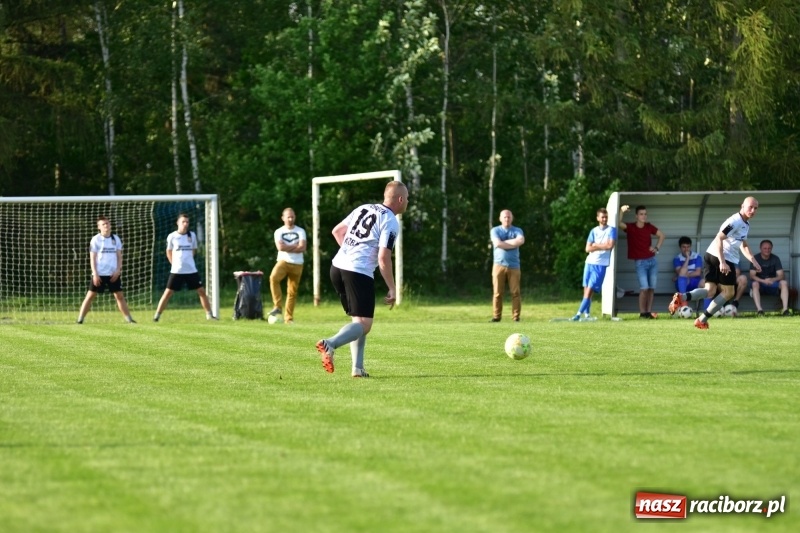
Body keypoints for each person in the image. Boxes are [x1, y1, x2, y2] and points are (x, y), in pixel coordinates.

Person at [315, 181, 408, 378]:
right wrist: (392, 287)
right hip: (357, 272)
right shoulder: (390, 221)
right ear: (400, 199)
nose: (407, 202)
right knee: (365, 324)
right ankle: (329, 344)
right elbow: (383, 258)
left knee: (358, 321)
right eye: (407, 198)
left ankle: (357, 368)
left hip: (337, 267)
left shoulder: (364, 208)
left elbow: (337, 231)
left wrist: (349, 253)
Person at [669, 197, 761, 329]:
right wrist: (723, 261)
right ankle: (702, 319)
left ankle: (681, 297)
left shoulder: (745, 224)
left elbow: (743, 244)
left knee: (710, 291)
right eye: (750, 207)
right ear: (742, 206)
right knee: (729, 293)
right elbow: (719, 237)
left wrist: (753, 260)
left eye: (755, 208)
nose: (752, 210)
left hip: (711, 255)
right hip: (722, 258)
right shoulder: (735, 221)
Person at [153, 213, 217, 321]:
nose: (185, 224)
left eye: (187, 222)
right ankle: (157, 316)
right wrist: (174, 263)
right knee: (168, 293)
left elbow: (193, 250)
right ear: (178, 223)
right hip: (177, 270)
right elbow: (168, 251)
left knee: (201, 291)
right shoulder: (172, 236)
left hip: (191, 270)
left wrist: (188, 261)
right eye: (183, 221)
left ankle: (209, 315)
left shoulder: (192, 235)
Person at [77, 215, 136, 324]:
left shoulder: (116, 239)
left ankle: (129, 320)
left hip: (113, 274)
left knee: (119, 296)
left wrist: (118, 270)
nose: (106, 226)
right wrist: (95, 274)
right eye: (103, 224)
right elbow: (92, 258)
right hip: (99, 274)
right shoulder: (96, 239)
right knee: (90, 296)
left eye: (107, 223)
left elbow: (119, 256)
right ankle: (80, 320)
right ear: (98, 227)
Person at [619, 205, 665, 319]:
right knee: (644, 288)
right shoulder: (631, 227)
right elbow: (618, 223)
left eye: (645, 214)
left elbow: (662, 235)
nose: (644, 216)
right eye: (641, 214)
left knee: (651, 288)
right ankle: (642, 313)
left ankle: (648, 312)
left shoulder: (649, 226)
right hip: (640, 262)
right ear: (636, 216)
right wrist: (621, 211)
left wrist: (656, 248)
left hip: (652, 261)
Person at [571, 208, 617, 321]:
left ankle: (577, 314)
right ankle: (587, 315)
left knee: (590, 290)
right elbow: (587, 248)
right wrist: (601, 245)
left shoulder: (611, 230)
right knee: (586, 288)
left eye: (606, 217)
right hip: (589, 262)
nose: (604, 219)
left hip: (600, 264)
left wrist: (595, 245)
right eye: (602, 217)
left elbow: (610, 246)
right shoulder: (594, 231)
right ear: (598, 218)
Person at [268, 207, 306, 324]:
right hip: (283, 261)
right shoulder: (279, 231)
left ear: (295, 217)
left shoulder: (300, 231)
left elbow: (303, 248)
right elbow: (280, 247)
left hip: (298, 263)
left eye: (292, 216)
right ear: (283, 218)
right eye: (288, 217)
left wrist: (288, 247)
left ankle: (288, 318)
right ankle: (277, 306)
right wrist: (295, 246)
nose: (290, 219)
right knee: (273, 278)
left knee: (292, 292)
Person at [489, 210, 525, 322]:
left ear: (512, 218)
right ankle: (496, 317)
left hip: (514, 266)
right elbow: (497, 243)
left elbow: (521, 241)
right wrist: (512, 243)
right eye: (504, 217)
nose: (507, 219)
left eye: (509, 217)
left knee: (515, 293)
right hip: (498, 265)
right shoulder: (495, 230)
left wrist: (504, 244)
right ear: (500, 218)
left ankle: (516, 317)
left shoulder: (517, 230)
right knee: (497, 293)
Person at [750, 239, 792, 316]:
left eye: (769, 248)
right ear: (760, 248)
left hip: (772, 283)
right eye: (765, 248)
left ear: (772, 248)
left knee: (784, 283)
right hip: (760, 284)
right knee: (754, 284)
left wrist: (773, 279)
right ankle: (760, 311)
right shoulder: (755, 259)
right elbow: (752, 275)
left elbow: (781, 275)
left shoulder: (775, 258)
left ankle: (785, 310)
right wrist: (763, 281)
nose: (767, 250)